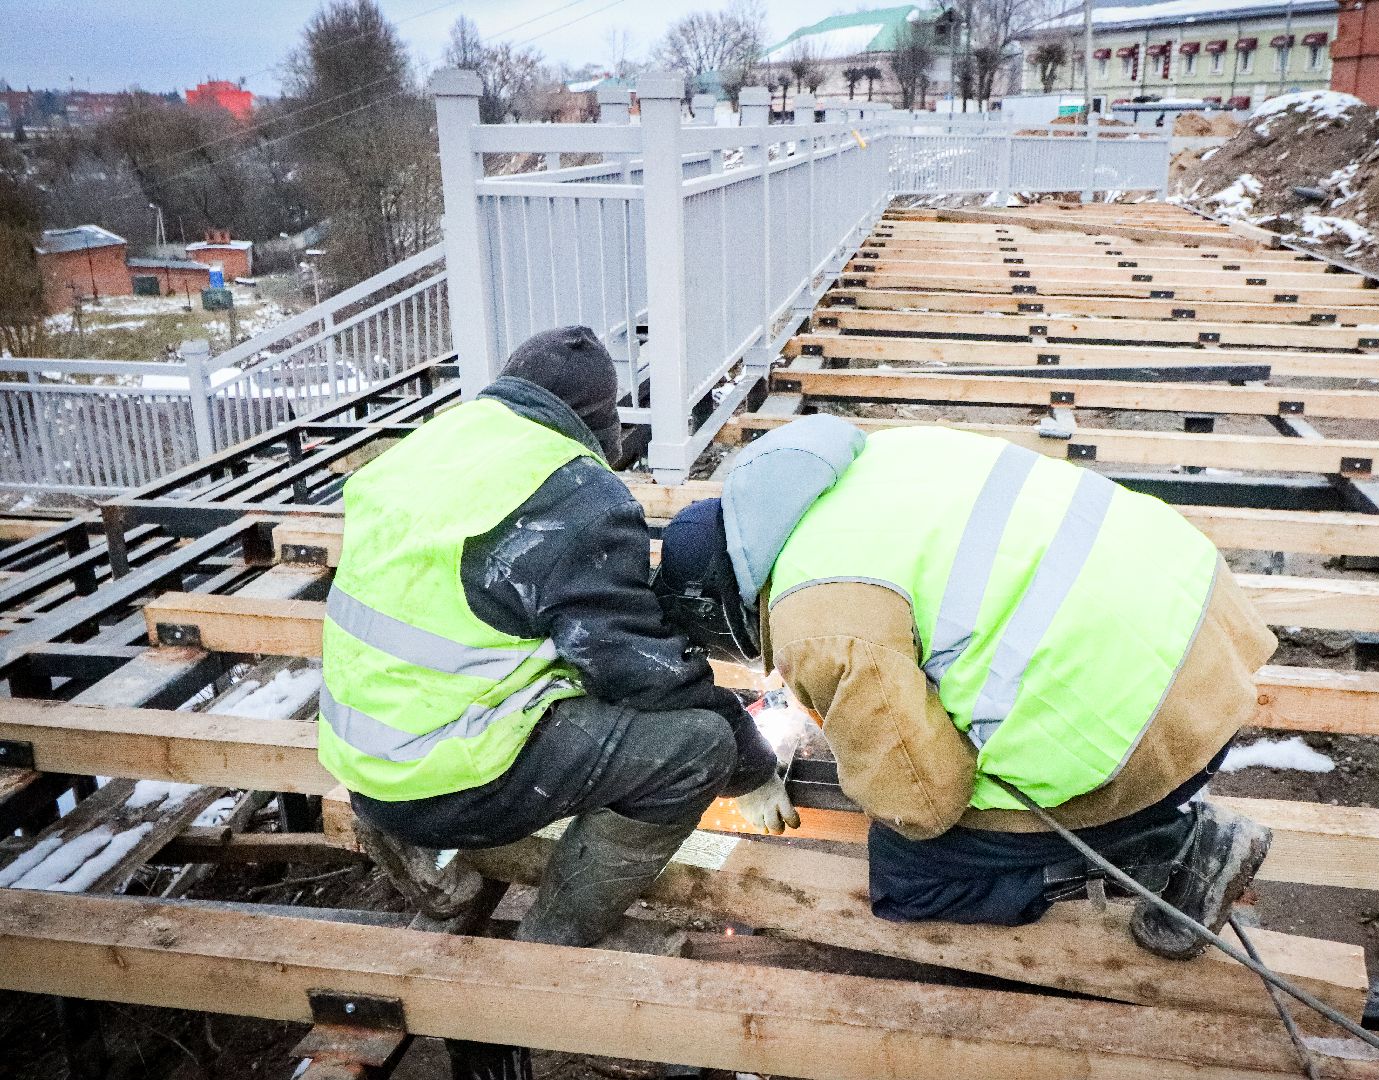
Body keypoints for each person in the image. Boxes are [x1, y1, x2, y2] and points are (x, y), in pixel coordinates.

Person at [317, 326, 780, 1076]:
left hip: (362, 757)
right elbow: (641, 671)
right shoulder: (571, 491)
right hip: (448, 776)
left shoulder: (435, 443)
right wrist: (751, 763)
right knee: (698, 750)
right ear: (599, 421)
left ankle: (409, 843)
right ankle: (543, 957)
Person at [653, 415, 1279, 960]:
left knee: (910, 875)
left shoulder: (815, 622)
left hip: (1154, 732)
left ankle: (1164, 847)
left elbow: (925, 803)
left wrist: (858, 739)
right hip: (1210, 637)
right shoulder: (886, 455)